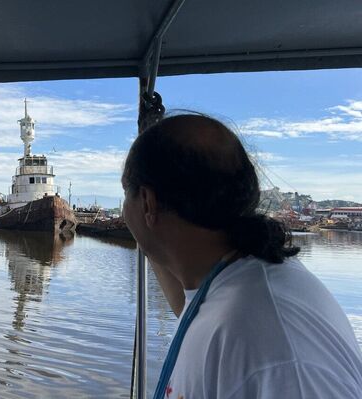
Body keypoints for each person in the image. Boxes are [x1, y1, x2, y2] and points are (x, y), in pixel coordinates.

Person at [121, 113, 362, 398]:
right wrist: (149, 235)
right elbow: (188, 306)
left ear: (148, 202)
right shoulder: (232, 281)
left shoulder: (277, 352)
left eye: (126, 194)